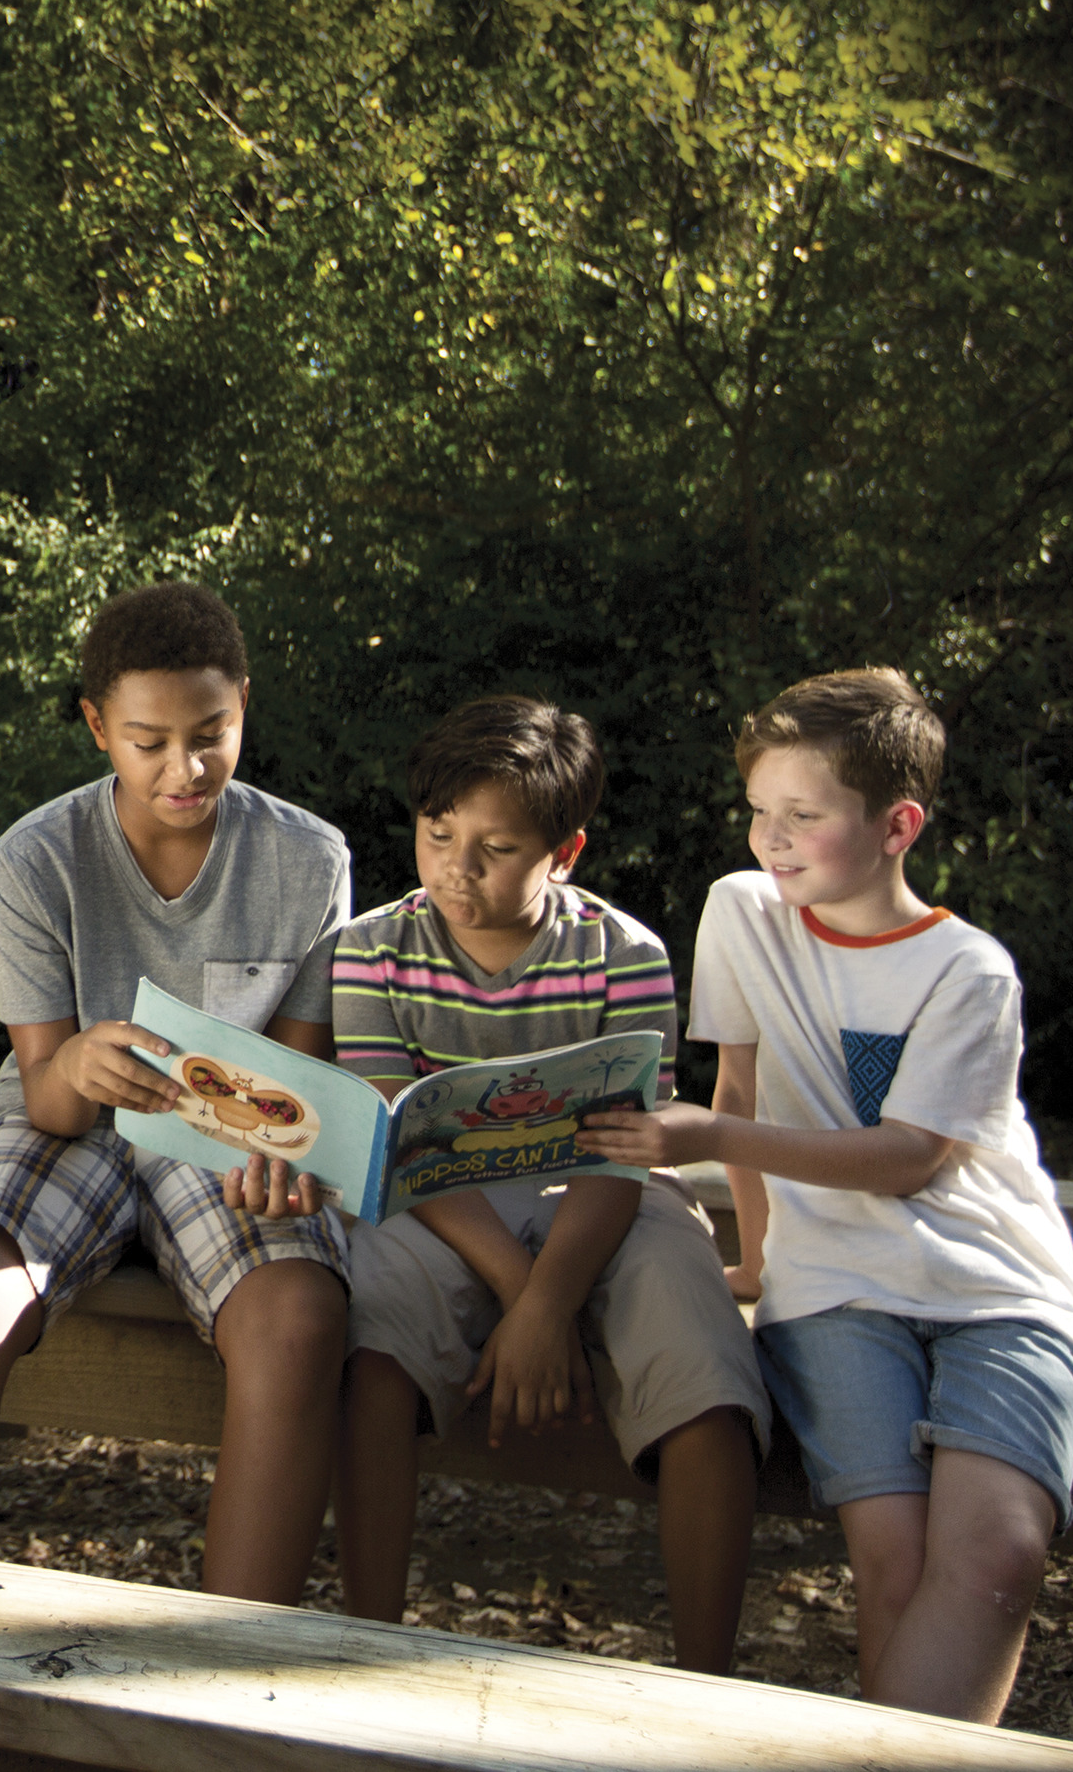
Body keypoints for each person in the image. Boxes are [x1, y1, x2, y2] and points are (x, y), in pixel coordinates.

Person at [582, 667, 1073, 1725]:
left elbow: (909, 1155)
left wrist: (710, 1136)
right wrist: (758, 1256)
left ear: (896, 825)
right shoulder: (744, 912)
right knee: (892, 1557)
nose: (771, 840)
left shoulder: (971, 973)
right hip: (832, 1287)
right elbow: (738, 1083)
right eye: (759, 814)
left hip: (995, 1285)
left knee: (1001, 1552)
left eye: (804, 817)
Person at [0, 580, 350, 1602]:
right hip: (71, 1124)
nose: (184, 769)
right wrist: (79, 1066)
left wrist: (282, 1153)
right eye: (148, 741)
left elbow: (301, 1084)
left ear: (244, 707)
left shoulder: (311, 857)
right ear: (98, 727)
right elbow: (47, 1099)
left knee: (302, 1316)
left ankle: (228, 1681)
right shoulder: (37, 856)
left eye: (210, 734)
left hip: (220, 1138)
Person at [327, 695, 767, 1669]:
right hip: (439, 1199)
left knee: (702, 1365)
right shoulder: (373, 949)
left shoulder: (625, 953)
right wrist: (527, 1300)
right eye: (438, 835)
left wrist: (552, 1296)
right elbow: (397, 1137)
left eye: (495, 848)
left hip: (606, 1193)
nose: (456, 867)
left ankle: (710, 1677)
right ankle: (360, 1645)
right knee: (375, 1340)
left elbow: (623, 1149)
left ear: (563, 852)